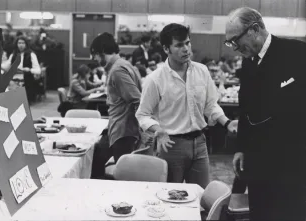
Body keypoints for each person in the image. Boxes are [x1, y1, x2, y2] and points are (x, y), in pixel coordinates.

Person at [225, 7, 306, 221]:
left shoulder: (297, 53)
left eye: (235, 40)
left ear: (255, 29)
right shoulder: (248, 60)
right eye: (230, 42)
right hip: (257, 164)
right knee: (261, 214)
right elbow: (246, 109)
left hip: (292, 165)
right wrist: (241, 148)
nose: (234, 48)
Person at [136, 23, 237, 188]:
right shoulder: (155, 79)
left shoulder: (202, 71)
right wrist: (158, 130)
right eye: (179, 45)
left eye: (188, 43)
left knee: (200, 197)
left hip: (200, 143)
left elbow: (211, 105)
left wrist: (226, 122)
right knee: (169, 198)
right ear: (166, 49)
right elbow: (142, 114)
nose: (186, 49)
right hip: (171, 145)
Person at [90, 32, 142, 163]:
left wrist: (143, 131)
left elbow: (138, 100)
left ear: (101, 51)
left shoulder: (117, 71)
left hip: (123, 133)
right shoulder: (125, 64)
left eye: (94, 55)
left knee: (121, 176)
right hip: (123, 130)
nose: (94, 59)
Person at [2, 36, 41, 103]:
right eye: (19, 43)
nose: (21, 45)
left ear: (26, 44)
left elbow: (38, 70)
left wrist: (29, 70)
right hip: (14, 82)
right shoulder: (13, 54)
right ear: (16, 44)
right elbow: (6, 66)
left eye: (23, 43)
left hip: (26, 82)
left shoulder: (31, 54)